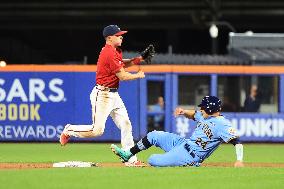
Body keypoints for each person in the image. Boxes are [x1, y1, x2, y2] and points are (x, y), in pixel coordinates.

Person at [59, 24, 154, 167]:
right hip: (102, 95)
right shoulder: (108, 52)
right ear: (109, 38)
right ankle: (69, 130)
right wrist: (138, 75)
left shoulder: (115, 51)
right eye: (118, 35)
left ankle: (130, 159)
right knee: (97, 131)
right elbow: (122, 75)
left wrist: (138, 59)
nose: (121, 36)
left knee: (126, 124)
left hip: (114, 95)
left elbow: (122, 64)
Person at [111, 96, 244, 167]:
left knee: (153, 160)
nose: (201, 109)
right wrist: (184, 112)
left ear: (210, 108)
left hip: (191, 156)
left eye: (203, 107)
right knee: (154, 135)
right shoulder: (205, 116)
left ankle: (191, 165)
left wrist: (239, 160)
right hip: (183, 144)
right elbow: (194, 114)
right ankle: (128, 154)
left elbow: (237, 142)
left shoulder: (222, 124)